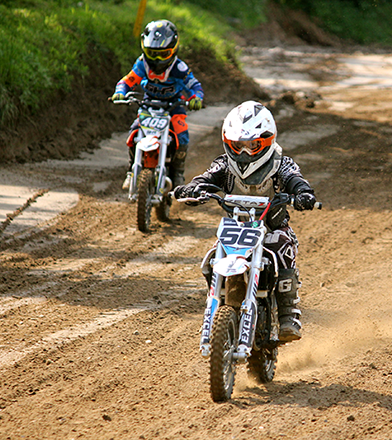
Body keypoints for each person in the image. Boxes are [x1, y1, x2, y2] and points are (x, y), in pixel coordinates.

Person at [173, 101, 317, 342]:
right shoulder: (224, 164)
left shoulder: (281, 162)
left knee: (283, 245)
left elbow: (295, 179)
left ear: (267, 141)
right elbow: (207, 177)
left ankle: (287, 314)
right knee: (211, 259)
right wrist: (192, 189)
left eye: (252, 145)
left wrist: (303, 194)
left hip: (271, 227)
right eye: (238, 145)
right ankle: (216, 309)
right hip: (238, 229)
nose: (244, 152)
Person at [111, 19, 204, 188]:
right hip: (149, 105)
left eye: (163, 54)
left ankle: (178, 174)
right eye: (153, 53)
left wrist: (196, 98)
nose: (157, 59)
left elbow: (193, 85)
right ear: (144, 49)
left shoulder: (179, 68)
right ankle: (131, 171)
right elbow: (128, 80)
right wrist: (120, 92)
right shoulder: (142, 64)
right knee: (133, 133)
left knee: (182, 136)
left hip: (173, 107)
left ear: (174, 49)